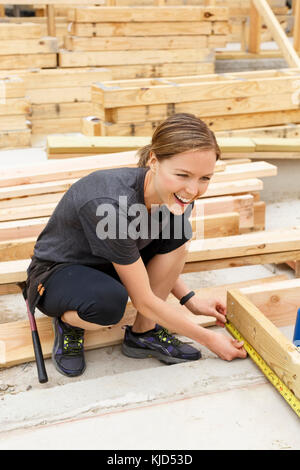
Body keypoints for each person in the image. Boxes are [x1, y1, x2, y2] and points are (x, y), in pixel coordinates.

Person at [26, 113, 247, 378]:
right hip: (59, 273)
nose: (193, 189)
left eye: (205, 178)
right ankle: (69, 323)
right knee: (109, 304)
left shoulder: (176, 197)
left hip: (113, 261)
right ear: (154, 161)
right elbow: (143, 300)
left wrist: (190, 299)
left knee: (178, 232)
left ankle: (143, 333)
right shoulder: (109, 204)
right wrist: (211, 340)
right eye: (183, 175)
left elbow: (150, 251)